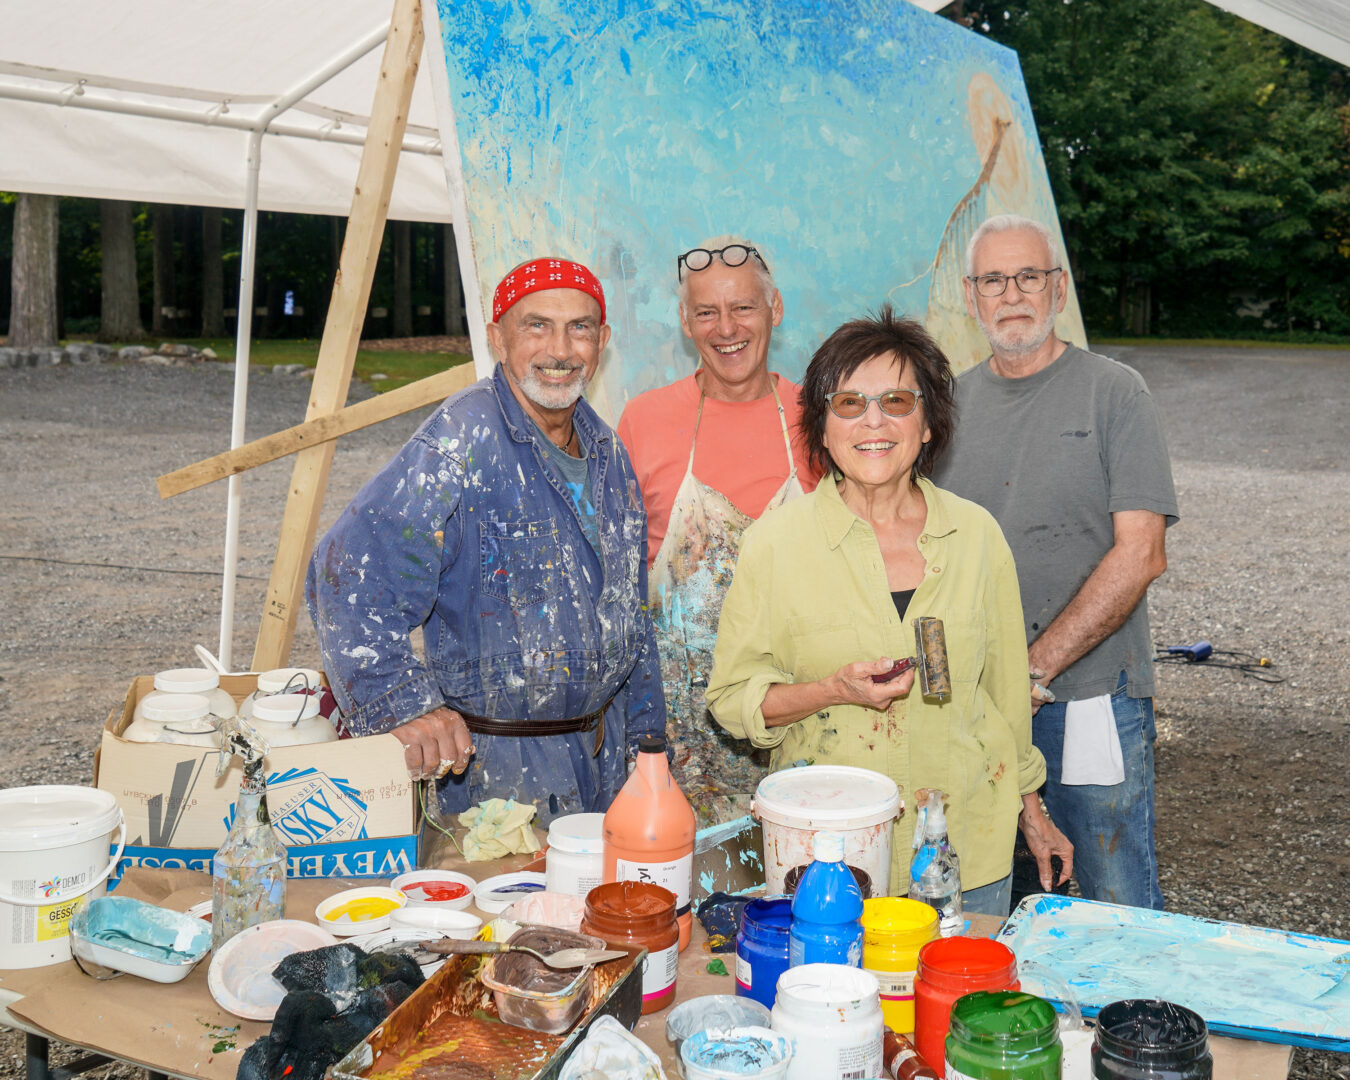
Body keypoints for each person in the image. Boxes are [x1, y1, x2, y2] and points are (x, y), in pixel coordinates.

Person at [706, 306, 1071, 913]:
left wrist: (1033, 813)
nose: (873, 421)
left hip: (965, 848)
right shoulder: (774, 545)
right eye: (848, 404)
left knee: (954, 1005)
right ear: (821, 428)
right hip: (830, 856)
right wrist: (831, 690)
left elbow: (1007, 701)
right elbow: (732, 699)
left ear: (928, 423)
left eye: (897, 402)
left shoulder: (977, 537)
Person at [307, 257, 665, 828]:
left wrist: (651, 745)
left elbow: (630, 613)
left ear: (603, 342)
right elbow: (347, 573)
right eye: (537, 325)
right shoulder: (460, 441)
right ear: (498, 338)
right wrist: (404, 704)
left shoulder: (607, 451)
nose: (561, 349)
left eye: (580, 328)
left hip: (605, 763)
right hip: (497, 781)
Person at [933, 214, 1178, 909]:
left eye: (1028, 276)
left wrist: (1032, 670)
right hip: (975, 708)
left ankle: (1124, 1021)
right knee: (978, 899)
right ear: (971, 295)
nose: (1012, 294)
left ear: (1058, 288)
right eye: (993, 279)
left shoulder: (1114, 392)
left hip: (1089, 697)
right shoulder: (947, 406)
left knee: (1111, 894)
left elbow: (1142, 553)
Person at [617, 237, 818, 825]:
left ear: (774, 309)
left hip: (799, 731)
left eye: (743, 308)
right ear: (686, 322)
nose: (726, 327)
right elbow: (618, 581)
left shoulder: (820, 419)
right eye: (707, 312)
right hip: (681, 747)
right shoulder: (644, 421)